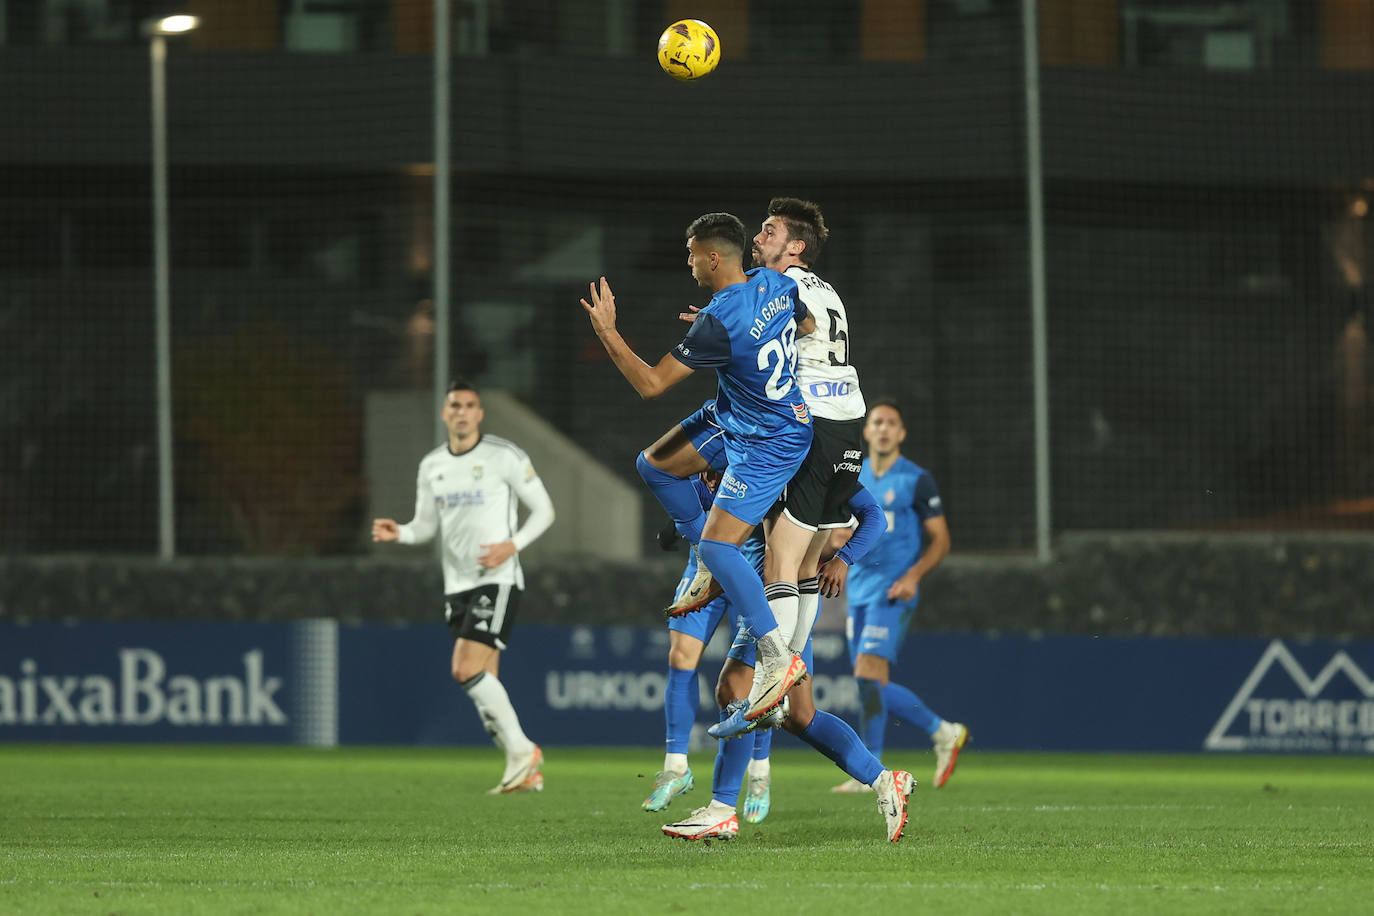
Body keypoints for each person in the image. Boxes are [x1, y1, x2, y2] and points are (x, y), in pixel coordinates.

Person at [579, 212, 811, 728]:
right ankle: (710, 569)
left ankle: (777, 655)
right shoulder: (773, 281)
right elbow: (806, 324)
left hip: (769, 440)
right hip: (739, 416)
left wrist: (608, 331)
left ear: (712, 257)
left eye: (690, 254)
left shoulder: (719, 320)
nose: (687, 264)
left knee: (717, 543)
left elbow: (652, 385)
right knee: (655, 464)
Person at [703, 197, 872, 741]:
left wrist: (728, 325)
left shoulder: (787, 284)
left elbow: (781, 331)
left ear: (794, 246)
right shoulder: (827, 289)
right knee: (801, 568)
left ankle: (778, 674)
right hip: (849, 422)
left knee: (780, 557)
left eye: (769, 231)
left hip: (816, 424)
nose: (758, 238)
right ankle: (786, 668)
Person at [663, 483, 909, 842]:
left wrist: (844, 559)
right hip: (775, 598)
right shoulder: (737, 472)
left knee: (734, 689)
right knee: (800, 716)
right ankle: (885, 780)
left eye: (713, 469)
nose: (711, 479)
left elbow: (873, 516)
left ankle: (722, 809)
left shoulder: (788, 462)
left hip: (782, 600)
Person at [372, 379, 555, 794]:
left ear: (479, 413)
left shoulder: (502, 456)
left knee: (464, 668)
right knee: (484, 680)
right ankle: (524, 772)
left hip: (498, 578)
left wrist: (512, 546)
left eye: (470, 405)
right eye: (454, 405)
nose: (461, 412)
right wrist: (398, 533)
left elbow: (545, 510)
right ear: (444, 413)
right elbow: (424, 527)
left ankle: (525, 751)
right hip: (457, 586)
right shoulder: (432, 465)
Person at [829, 399, 969, 793]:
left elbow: (940, 540)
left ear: (902, 434)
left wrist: (913, 576)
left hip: (893, 590)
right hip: (858, 590)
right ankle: (868, 771)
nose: (885, 428)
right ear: (867, 432)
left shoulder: (916, 479)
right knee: (867, 683)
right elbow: (843, 527)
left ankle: (943, 730)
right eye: (877, 422)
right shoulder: (853, 479)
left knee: (867, 676)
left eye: (892, 423)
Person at [643, 465, 775, 825]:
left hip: (751, 573)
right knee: (680, 656)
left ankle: (759, 772)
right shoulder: (692, 460)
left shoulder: (759, 457)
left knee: (751, 677)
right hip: (701, 569)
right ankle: (676, 767)